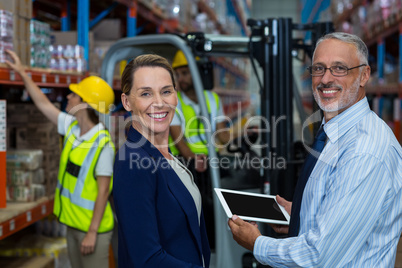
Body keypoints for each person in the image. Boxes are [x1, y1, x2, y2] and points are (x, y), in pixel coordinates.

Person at [228, 32, 402, 267]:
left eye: (339, 68)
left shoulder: (364, 152)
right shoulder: (334, 134)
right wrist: (301, 215)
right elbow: (338, 216)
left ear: (364, 75)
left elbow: (319, 256)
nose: (325, 79)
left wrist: (257, 243)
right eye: (318, 69)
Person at [5, 50, 116, 268]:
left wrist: (92, 233)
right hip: (72, 224)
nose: (68, 96)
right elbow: (43, 103)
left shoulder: (103, 145)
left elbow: (103, 191)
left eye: (74, 94)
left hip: (92, 230)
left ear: (85, 104)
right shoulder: (72, 128)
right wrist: (22, 73)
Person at [113, 54, 211, 267]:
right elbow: (147, 259)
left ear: (176, 96)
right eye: (146, 93)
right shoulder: (134, 163)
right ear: (127, 102)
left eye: (166, 91)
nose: (159, 103)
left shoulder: (167, 157)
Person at [169, 50, 234, 249]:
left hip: (209, 163)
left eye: (185, 73)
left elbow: (221, 134)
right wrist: (196, 160)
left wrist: (240, 134)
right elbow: (179, 140)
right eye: (178, 74)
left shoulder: (212, 99)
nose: (181, 79)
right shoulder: (174, 102)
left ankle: (216, 246)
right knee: (194, 213)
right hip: (184, 165)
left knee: (220, 205)